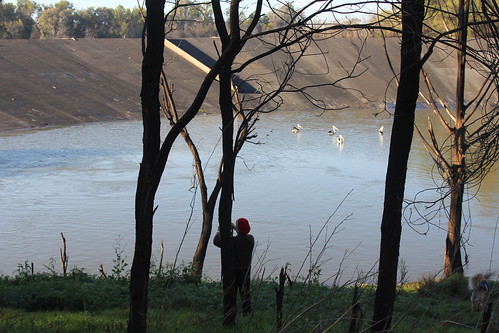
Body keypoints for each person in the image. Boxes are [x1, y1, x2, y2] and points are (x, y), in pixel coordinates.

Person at [213, 217, 255, 314]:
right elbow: (243, 235)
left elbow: (216, 241)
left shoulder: (231, 241)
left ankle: (231, 312)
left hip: (233, 271)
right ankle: (247, 312)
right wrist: (236, 228)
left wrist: (219, 230)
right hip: (246, 270)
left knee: (231, 293)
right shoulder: (251, 239)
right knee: (245, 292)